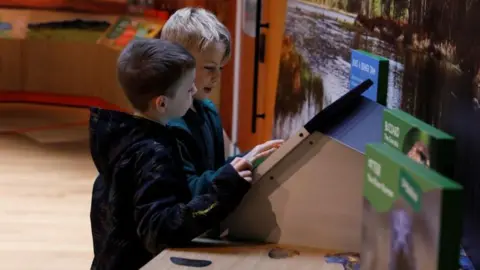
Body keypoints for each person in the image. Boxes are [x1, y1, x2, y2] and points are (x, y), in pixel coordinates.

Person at [89, 39, 264, 270]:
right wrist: (224, 189)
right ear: (162, 103)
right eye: (188, 87)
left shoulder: (122, 138)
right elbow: (161, 230)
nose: (194, 90)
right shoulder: (153, 154)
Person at [161, 7, 283, 197]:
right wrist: (232, 172)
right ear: (177, 64)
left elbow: (216, 169)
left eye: (220, 68)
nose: (217, 77)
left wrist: (252, 156)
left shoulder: (208, 110)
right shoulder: (167, 123)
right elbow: (186, 191)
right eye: (209, 68)